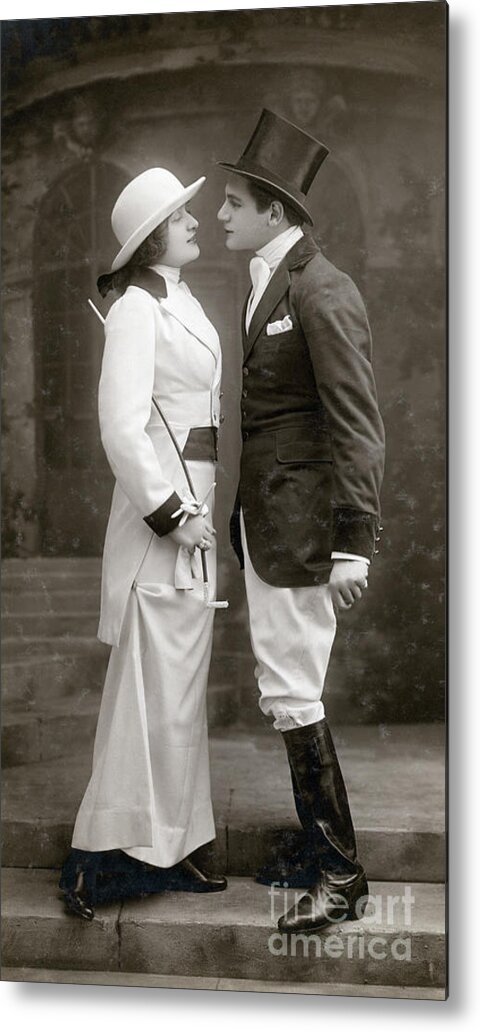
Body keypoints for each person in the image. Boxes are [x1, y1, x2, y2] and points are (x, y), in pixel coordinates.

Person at [217, 110, 385, 935]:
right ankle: (316, 853)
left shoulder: (322, 288)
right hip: (269, 524)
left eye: (234, 203)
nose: (220, 215)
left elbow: (357, 423)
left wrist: (356, 542)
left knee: (293, 691)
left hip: (308, 533)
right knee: (283, 689)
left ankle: (342, 875)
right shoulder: (262, 279)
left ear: (275, 213)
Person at [59, 167, 227, 920]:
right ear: (152, 235)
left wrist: (197, 511)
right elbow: (122, 428)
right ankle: (100, 859)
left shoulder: (181, 300)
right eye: (182, 214)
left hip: (198, 508)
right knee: (146, 693)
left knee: (179, 695)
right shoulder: (132, 308)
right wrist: (169, 510)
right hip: (162, 514)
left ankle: (174, 845)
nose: (195, 221)